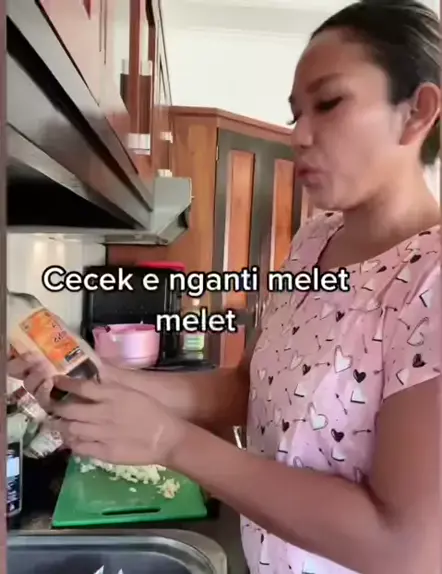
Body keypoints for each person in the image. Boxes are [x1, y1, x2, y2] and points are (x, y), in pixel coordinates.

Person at [9, 1, 441, 572]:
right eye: (296, 113)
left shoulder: (431, 280)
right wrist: (103, 378)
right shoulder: (313, 243)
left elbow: (407, 547)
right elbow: (246, 388)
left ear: (416, 112)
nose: (299, 135)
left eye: (329, 103)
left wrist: (169, 442)